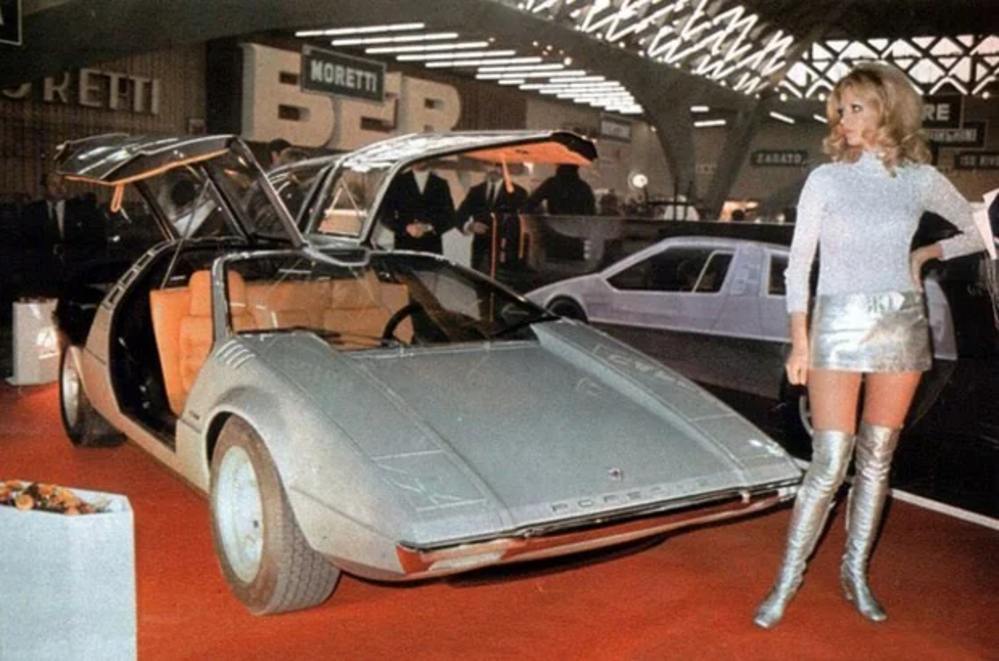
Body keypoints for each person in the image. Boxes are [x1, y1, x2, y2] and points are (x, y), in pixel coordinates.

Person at [753, 63, 986, 629]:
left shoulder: (921, 178)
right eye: (840, 107)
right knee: (829, 463)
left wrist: (927, 255)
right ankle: (787, 578)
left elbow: (983, 227)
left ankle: (854, 572)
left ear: (889, 109)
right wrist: (798, 342)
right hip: (837, 323)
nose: (844, 118)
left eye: (857, 106)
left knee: (878, 459)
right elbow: (798, 266)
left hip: (900, 324)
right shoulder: (826, 179)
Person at [455, 163, 529, 274]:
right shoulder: (476, 191)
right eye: (490, 165)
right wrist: (469, 226)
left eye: (498, 166)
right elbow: (459, 215)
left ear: (505, 168)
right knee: (479, 285)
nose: (494, 169)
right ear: (484, 167)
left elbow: (525, 223)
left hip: (505, 252)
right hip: (480, 252)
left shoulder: (518, 193)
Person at [378, 161, 456, 254]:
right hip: (404, 245)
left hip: (432, 247)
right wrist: (406, 228)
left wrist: (429, 227)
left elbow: (451, 217)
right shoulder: (397, 182)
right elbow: (385, 215)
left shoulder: (441, 184)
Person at [525, 163, 595, 216]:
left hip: (553, 227)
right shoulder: (583, 187)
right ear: (576, 168)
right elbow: (591, 211)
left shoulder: (551, 183)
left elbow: (531, 203)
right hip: (578, 228)